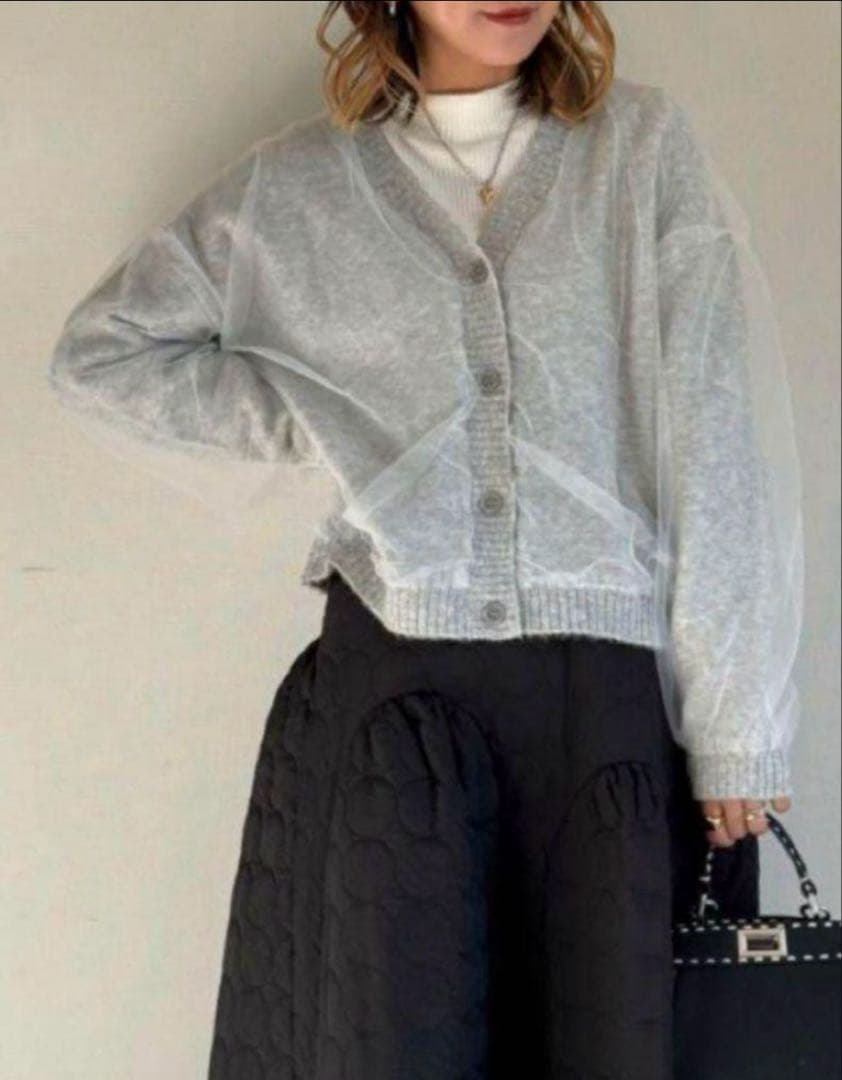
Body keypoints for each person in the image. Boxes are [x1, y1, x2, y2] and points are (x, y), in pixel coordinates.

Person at [47, 2, 804, 1076]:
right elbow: (104, 356)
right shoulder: (296, 187)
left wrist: (736, 726)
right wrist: (334, 428)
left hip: (602, 720)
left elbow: (713, 438)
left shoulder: (640, 153)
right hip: (394, 728)